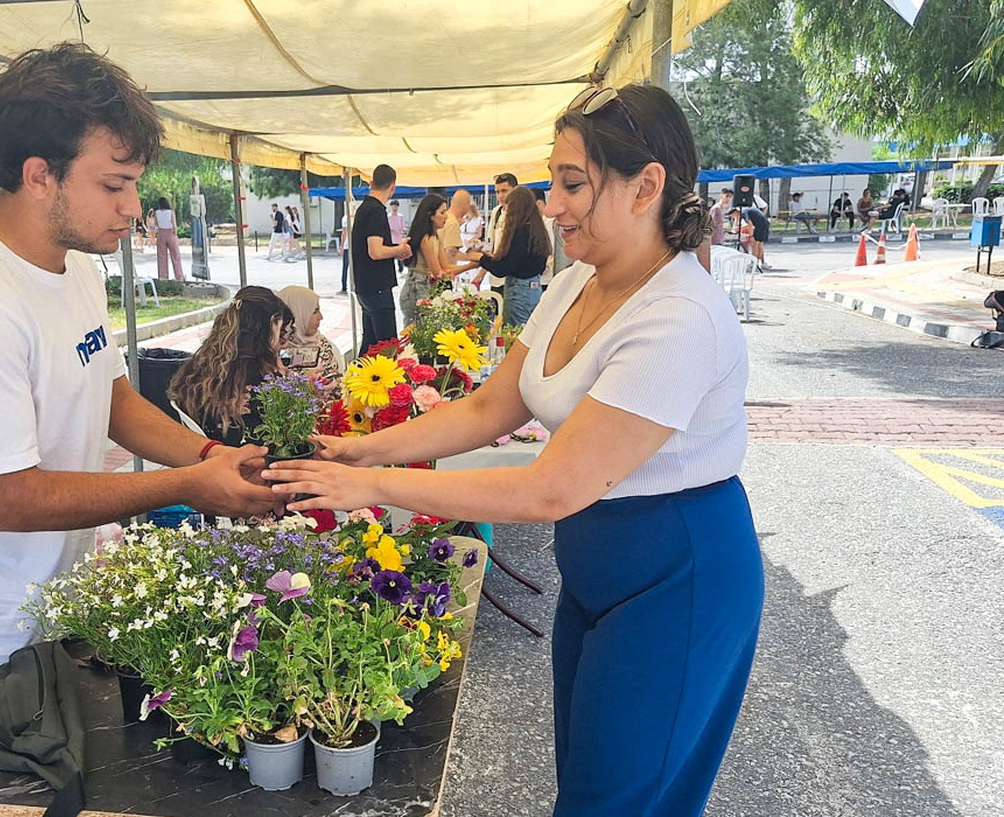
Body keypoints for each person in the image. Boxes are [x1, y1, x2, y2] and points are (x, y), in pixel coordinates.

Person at [265, 83, 760, 817]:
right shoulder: (574, 283)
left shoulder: (678, 315)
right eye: (552, 182)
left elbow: (551, 489)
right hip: (599, 571)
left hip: (676, 575)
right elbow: (492, 406)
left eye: (571, 184)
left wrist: (379, 488)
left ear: (646, 187)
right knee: (590, 785)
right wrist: (363, 451)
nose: (551, 204)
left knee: (618, 801)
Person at [0, 43, 280, 775]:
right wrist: (184, 486)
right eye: (114, 184)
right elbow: (9, 498)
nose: (132, 207)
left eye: (135, 183)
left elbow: (111, 397)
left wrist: (209, 456)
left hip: (44, 621)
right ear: (37, 175)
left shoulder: (74, 268)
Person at [168, 286, 293, 446]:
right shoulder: (252, 372)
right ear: (271, 323)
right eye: (280, 326)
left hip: (207, 448)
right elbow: (282, 428)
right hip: (245, 456)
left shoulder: (204, 361)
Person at [350, 164, 413, 351]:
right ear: (392, 186)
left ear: (371, 183)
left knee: (370, 346)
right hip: (377, 287)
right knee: (388, 347)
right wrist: (399, 250)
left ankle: (355, 378)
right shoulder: (376, 211)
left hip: (365, 286)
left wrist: (396, 248)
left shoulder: (364, 208)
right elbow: (376, 251)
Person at [399, 193, 478, 328]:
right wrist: (472, 264)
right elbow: (439, 273)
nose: (446, 216)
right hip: (416, 287)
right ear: (430, 215)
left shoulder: (436, 236)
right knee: (416, 333)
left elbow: (446, 267)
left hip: (425, 286)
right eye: (442, 212)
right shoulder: (427, 239)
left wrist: (472, 264)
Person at [473, 186, 549, 327]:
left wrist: (480, 258)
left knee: (514, 335)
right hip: (534, 288)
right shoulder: (537, 229)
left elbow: (503, 268)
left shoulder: (521, 232)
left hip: (519, 291)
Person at [277, 285, 343, 400]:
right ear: (297, 313)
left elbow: (338, 388)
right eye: (315, 311)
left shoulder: (323, 345)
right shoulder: (276, 351)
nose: (321, 317)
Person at [472, 172, 518, 295]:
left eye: (504, 191)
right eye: (497, 192)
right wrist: (481, 273)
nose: (501, 196)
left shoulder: (521, 214)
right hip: (496, 277)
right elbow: (490, 243)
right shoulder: (496, 212)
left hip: (514, 279)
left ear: (515, 190)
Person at [534, 187, 572, 290]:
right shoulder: (538, 222)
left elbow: (549, 250)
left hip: (550, 277)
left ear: (538, 203)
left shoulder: (551, 223)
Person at [152, 196, 185, 280]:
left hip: (161, 233)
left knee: (162, 256)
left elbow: (156, 225)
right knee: (175, 255)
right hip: (170, 233)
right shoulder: (171, 212)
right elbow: (174, 225)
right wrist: (175, 235)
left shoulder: (157, 213)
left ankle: (163, 277)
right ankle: (179, 276)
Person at [440, 189, 473, 266]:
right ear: (465, 206)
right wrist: (474, 257)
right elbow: (450, 254)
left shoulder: (445, 218)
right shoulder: (453, 223)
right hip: (444, 273)